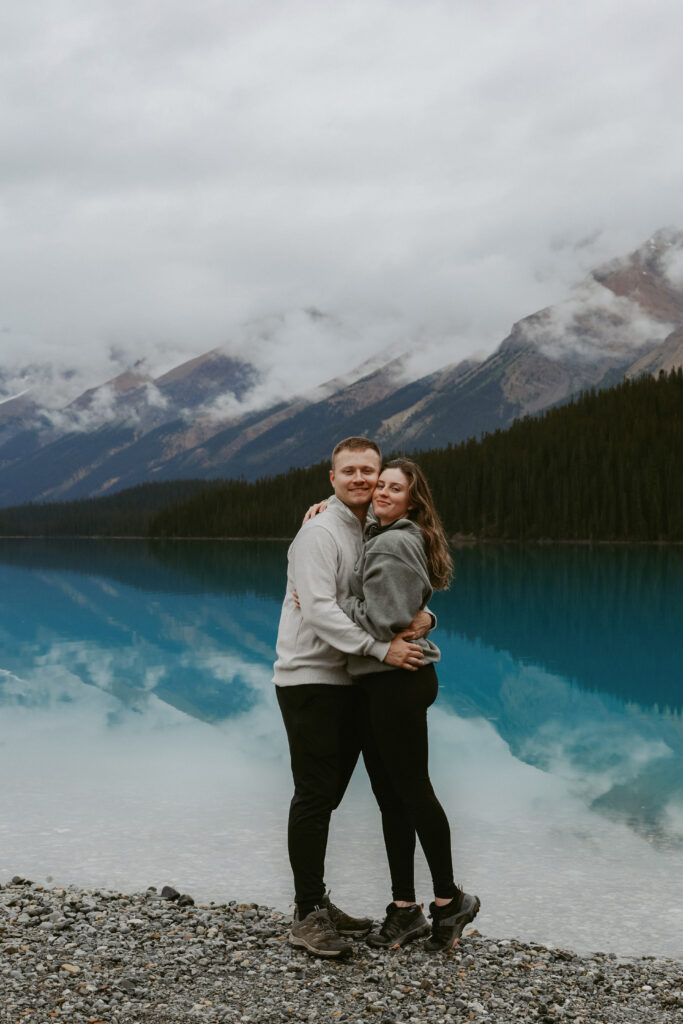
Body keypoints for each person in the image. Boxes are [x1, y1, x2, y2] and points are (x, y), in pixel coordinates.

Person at [273, 437, 432, 959]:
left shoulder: (373, 529)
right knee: (315, 796)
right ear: (332, 477)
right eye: (351, 471)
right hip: (310, 679)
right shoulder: (319, 533)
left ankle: (322, 902)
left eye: (371, 470)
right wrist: (380, 649)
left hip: (349, 681)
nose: (363, 479)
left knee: (333, 795)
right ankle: (305, 916)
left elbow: (394, 596)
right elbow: (320, 612)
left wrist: (427, 619)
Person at [338, 457, 480, 952]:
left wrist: (336, 603)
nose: (380, 492)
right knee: (393, 798)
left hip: (397, 681)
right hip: (388, 681)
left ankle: (448, 901)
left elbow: (388, 618)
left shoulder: (395, 541)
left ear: (412, 500)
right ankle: (406, 909)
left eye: (393, 489)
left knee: (411, 793)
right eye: (380, 485)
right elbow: (404, 611)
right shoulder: (389, 534)